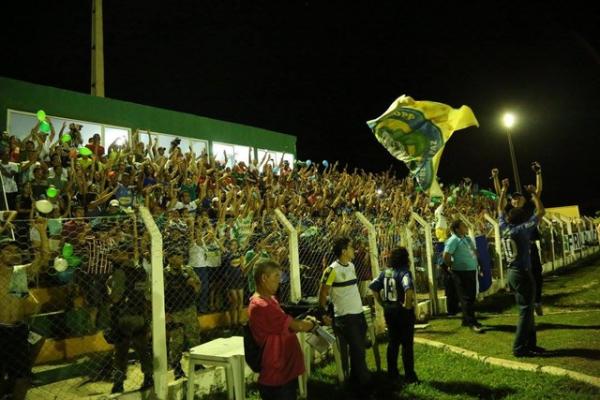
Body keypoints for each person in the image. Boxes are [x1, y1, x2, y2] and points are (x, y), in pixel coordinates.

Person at [248, 260, 316, 400]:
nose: (279, 281)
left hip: (284, 370)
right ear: (264, 278)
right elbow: (297, 326)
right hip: (276, 375)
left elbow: (283, 328)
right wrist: (313, 324)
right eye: (276, 276)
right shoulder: (262, 305)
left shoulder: (270, 300)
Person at [0, 217, 49, 400]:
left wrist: (42, 231)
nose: (15, 253)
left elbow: (44, 257)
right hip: (0, 329)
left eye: (17, 250)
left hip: (18, 329)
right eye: (8, 250)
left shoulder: (19, 273)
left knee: (22, 377)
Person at [498, 179, 546, 357]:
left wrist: (503, 190)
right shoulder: (521, 230)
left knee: (527, 308)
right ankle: (519, 348)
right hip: (523, 273)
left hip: (512, 273)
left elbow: (499, 210)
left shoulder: (504, 228)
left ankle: (531, 344)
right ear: (521, 220)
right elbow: (541, 211)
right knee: (526, 311)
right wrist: (534, 193)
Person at [318, 237, 371, 388]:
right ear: (343, 251)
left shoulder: (352, 266)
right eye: (350, 247)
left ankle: (355, 380)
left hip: (358, 314)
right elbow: (322, 292)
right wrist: (322, 313)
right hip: (345, 317)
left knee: (359, 350)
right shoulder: (331, 270)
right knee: (358, 351)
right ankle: (364, 384)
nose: (353, 250)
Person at [493, 163, 544, 315]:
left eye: (518, 198)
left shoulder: (528, 208)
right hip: (518, 249)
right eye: (513, 199)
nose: (515, 200)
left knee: (537, 274)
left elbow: (538, 191)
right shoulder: (509, 211)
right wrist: (496, 178)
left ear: (523, 199)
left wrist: (538, 173)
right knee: (523, 276)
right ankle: (526, 303)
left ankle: (537, 301)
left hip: (530, 246)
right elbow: (499, 198)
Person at [107, 243, 153, 393]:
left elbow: (116, 297)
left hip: (124, 317)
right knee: (143, 350)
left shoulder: (120, 272)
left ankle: (118, 384)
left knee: (120, 353)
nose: (114, 256)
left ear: (124, 254)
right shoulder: (142, 271)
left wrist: (108, 291)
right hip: (140, 316)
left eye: (117, 253)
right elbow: (147, 294)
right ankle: (148, 377)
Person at [369, 247, 418, 383]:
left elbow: (373, 287)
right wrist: (408, 307)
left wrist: (382, 303)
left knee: (393, 342)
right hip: (401, 312)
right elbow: (408, 290)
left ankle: (392, 372)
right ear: (404, 259)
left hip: (389, 311)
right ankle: (409, 375)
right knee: (407, 345)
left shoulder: (385, 272)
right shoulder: (404, 272)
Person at [164, 248, 201, 379]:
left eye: (180, 255)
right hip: (174, 311)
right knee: (176, 341)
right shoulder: (165, 273)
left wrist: (193, 285)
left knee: (194, 336)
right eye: (175, 255)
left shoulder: (188, 270)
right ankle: (177, 368)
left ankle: (197, 363)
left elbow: (198, 287)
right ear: (169, 258)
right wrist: (166, 313)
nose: (179, 258)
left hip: (189, 308)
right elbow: (161, 294)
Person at [442, 220, 483, 333]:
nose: (466, 227)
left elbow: (474, 252)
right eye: (463, 226)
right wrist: (450, 265)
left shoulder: (466, 238)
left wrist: (477, 263)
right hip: (460, 272)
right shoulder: (453, 240)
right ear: (457, 229)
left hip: (471, 270)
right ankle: (471, 322)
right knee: (466, 298)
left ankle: (467, 319)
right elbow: (446, 255)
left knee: (471, 296)